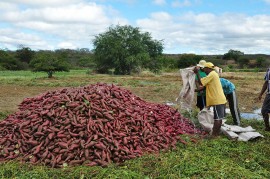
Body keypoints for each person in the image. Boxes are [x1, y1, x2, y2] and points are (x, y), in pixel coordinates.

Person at [193, 62, 227, 136]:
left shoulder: (212, 74)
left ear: (208, 68)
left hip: (218, 100)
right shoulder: (212, 75)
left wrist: (197, 73)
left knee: (217, 118)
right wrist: (192, 90)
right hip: (218, 100)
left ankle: (214, 135)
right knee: (218, 118)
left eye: (204, 69)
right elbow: (202, 87)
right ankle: (215, 133)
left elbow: (201, 82)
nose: (204, 71)